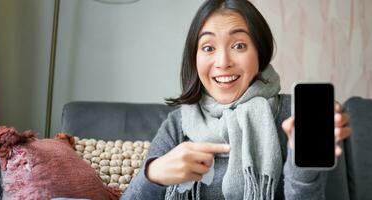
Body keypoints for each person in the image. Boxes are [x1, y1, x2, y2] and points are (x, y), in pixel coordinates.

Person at [121, 0, 351, 199]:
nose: (223, 62)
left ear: (259, 53)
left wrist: (303, 163)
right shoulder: (177, 124)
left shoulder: (294, 115)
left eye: (239, 45)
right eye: (208, 47)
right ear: (195, 59)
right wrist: (153, 175)